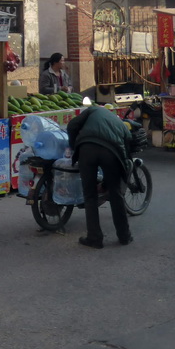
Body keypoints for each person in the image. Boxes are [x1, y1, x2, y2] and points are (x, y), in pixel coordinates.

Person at [66, 103, 133, 248]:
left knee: (90, 195)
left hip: (86, 149)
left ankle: (94, 238)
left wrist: (73, 147)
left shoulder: (93, 109)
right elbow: (127, 150)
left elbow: (72, 126)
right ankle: (124, 236)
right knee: (116, 194)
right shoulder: (121, 125)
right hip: (111, 153)